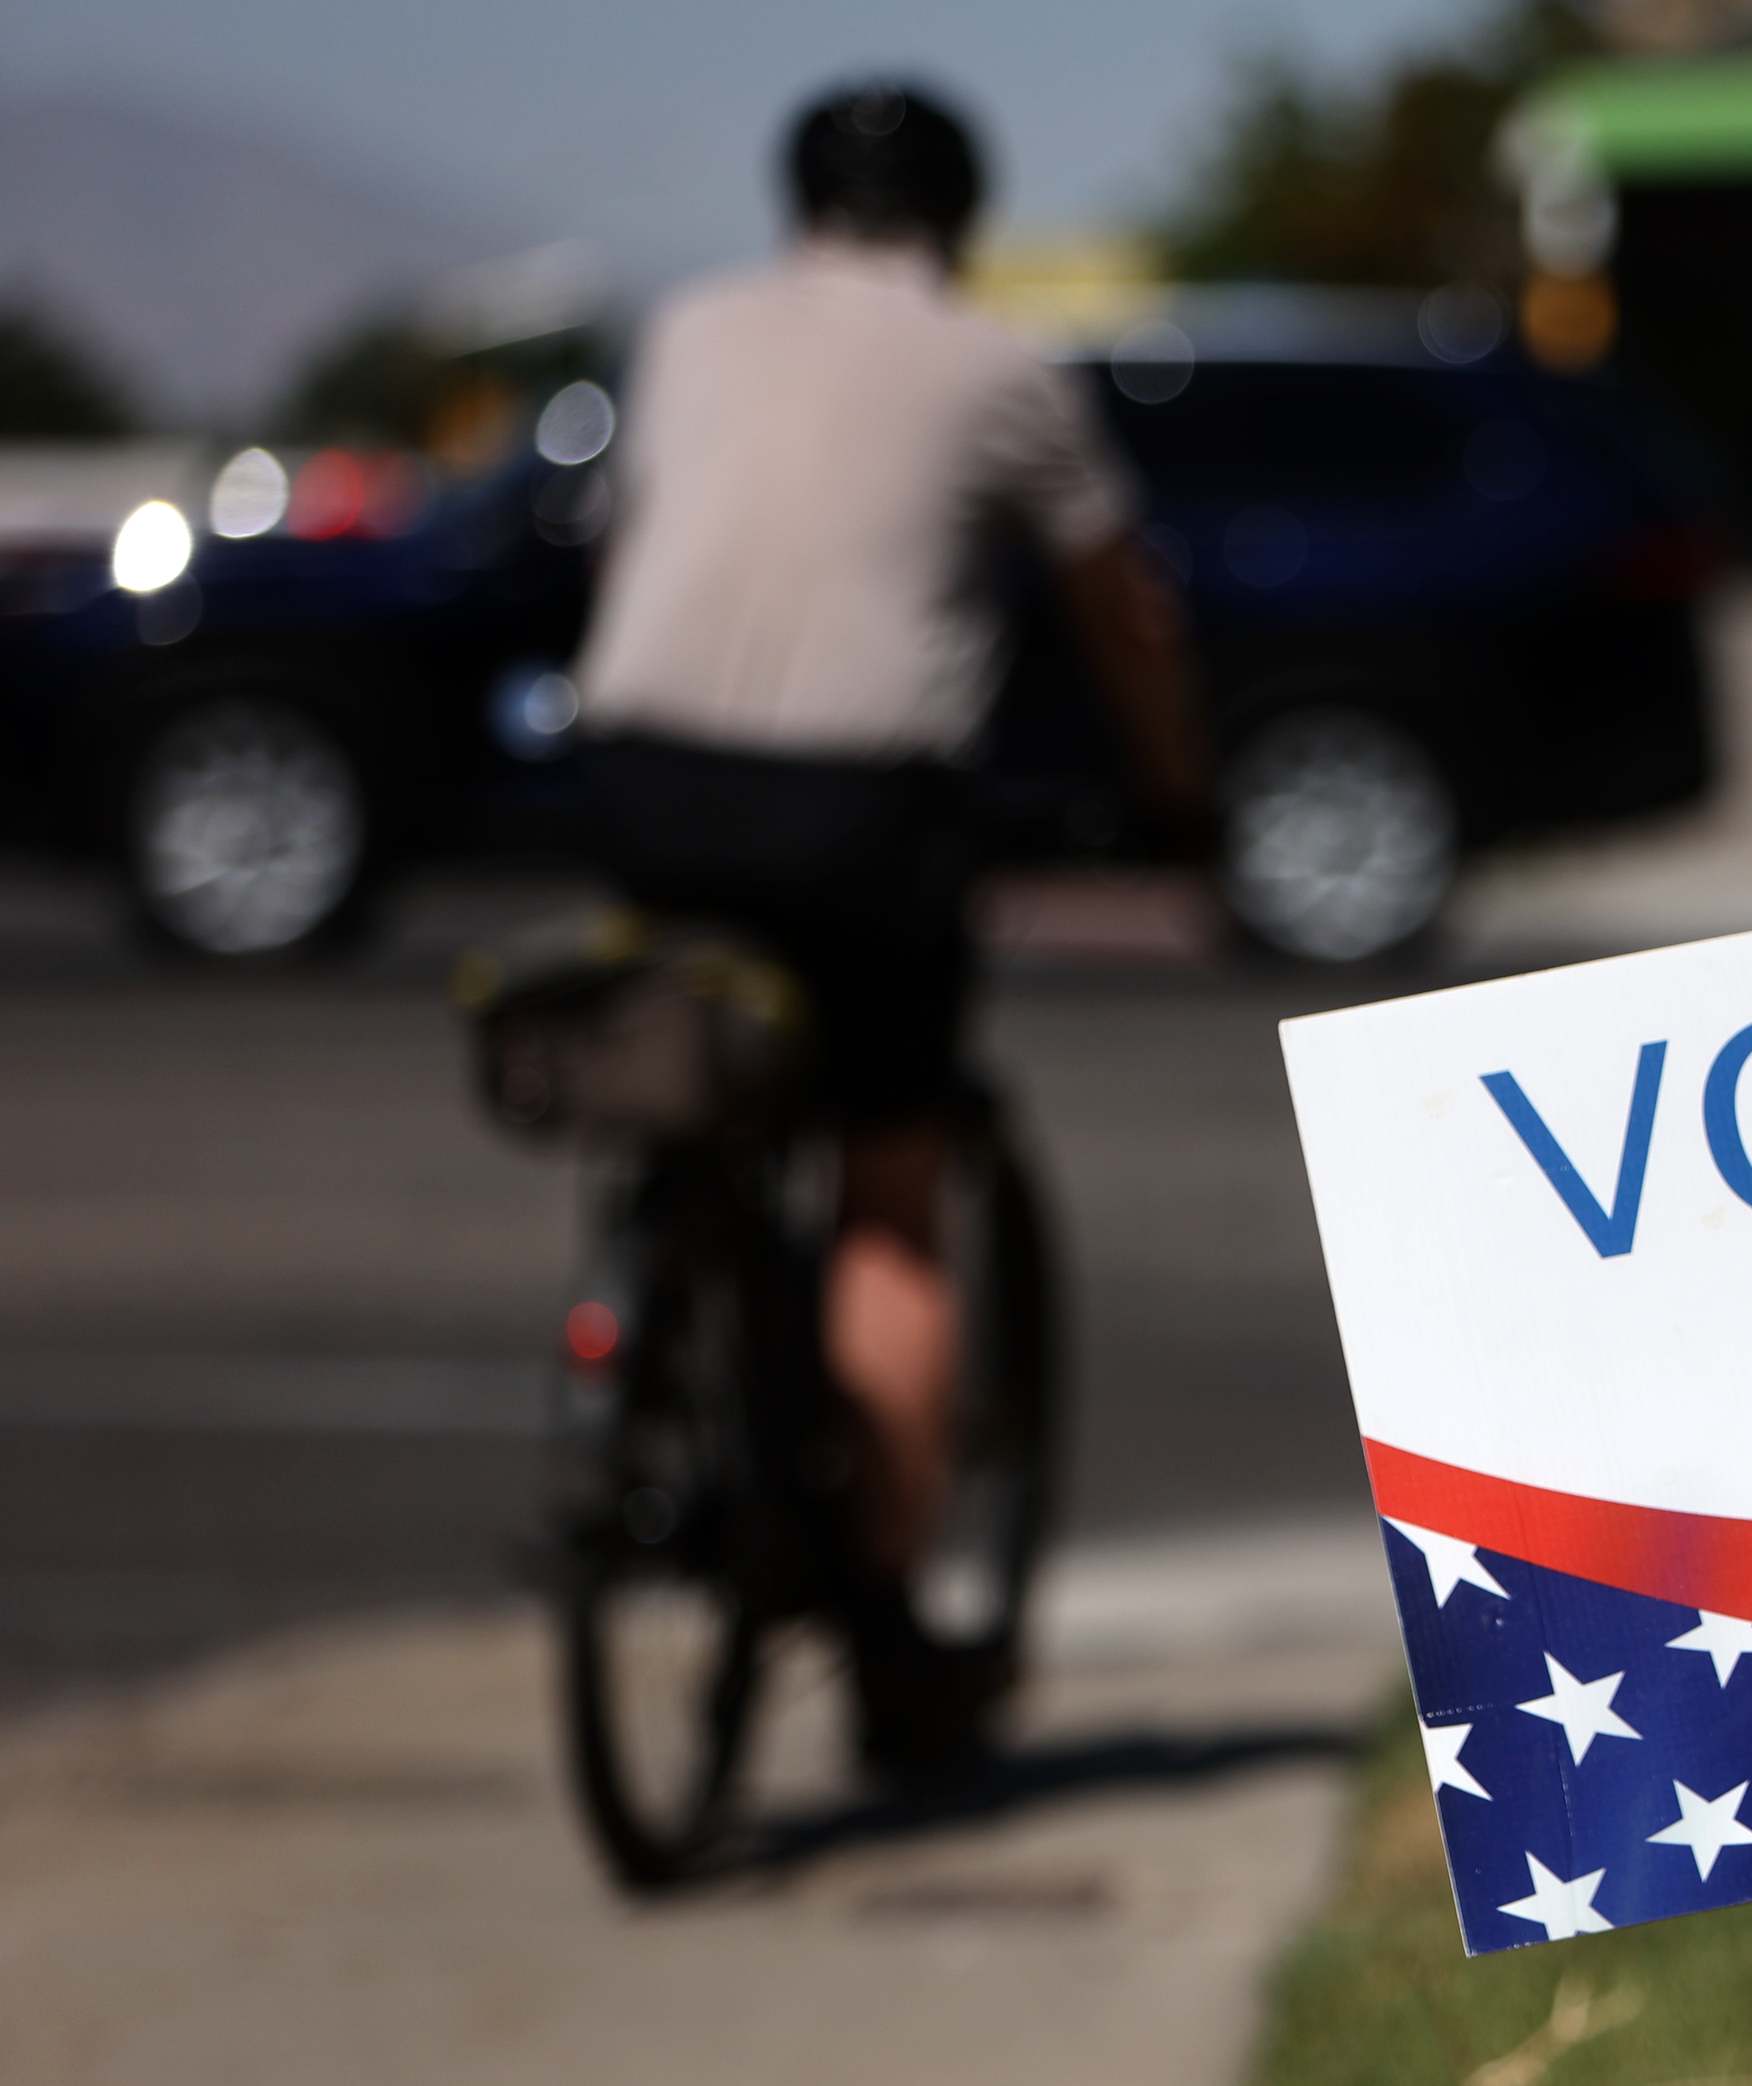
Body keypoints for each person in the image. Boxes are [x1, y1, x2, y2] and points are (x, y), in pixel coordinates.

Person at [570, 80, 1209, 1777]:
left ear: (798, 204)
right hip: (860, 809)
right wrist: (1175, 793)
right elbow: (1121, 609)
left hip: (637, 775)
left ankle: (663, 1291)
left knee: (704, 1063)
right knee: (895, 1200)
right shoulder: (1005, 369)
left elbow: (635, 542)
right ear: (961, 219)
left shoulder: (688, 327)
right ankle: (886, 1632)